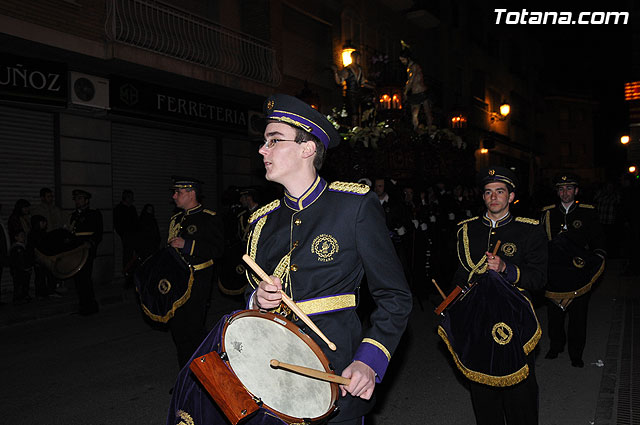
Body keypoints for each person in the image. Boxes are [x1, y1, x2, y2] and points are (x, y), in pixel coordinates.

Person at [248, 94, 412, 423]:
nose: (262, 150)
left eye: (274, 141)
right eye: (264, 142)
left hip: (336, 372)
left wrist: (369, 359)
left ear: (307, 148)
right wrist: (257, 300)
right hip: (272, 373)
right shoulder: (261, 222)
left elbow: (394, 296)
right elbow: (248, 300)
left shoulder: (353, 207)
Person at [449, 166, 547, 425]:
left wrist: (507, 269)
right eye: (488, 192)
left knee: (520, 394)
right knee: (482, 392)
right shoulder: (466, 230)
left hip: (514, 321)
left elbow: (539, 279)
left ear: (511, 197)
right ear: (483, 197)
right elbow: (459, 275)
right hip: (478, 320)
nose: (494, 197)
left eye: (500, 192)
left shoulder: (530, 229)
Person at [540, 173, 606, 368]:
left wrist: (598, 257)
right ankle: (556, 345)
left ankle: (576, 353)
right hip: (556, 272)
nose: (565, 192)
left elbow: (598, 239)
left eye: (569, 188)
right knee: (555, 314)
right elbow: (541, 242)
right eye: (561, 189)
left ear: (576, 191)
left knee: (578, 315)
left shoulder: (587, 212)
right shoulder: (547, 213)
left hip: (578, 272)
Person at [167, 176, 224, 368]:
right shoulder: (176, 219)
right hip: (177, 282)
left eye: (179, 192)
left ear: (191, 193)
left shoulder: (209, 218)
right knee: (178, 330)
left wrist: (188, 245)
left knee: (193, 331)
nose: (174, 196)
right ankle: (185, 376)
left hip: (197, 283)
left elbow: (218, 249)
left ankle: (202, 376)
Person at [69, 189, 103, 316]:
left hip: (86, 251)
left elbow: (98, 232)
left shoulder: (94, 214)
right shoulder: (74, 215)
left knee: (85, 278)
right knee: (78, 279)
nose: (77, 201)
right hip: (76, 251)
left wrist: (90, 243)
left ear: (86, 200)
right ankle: (83, 305)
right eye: (76, 199)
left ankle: (91, 305)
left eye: (79, 199)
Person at [399, 42, 433, 131]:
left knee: (427, 113)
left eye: (403, 60)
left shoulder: (414, 67)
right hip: (415, 93)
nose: (402, 62)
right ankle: (416, 130)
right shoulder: (410, 67)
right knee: (415, 114)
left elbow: (411, 80)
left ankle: (430, 130)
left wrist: (405, 92)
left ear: (407, 58)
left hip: (421, 92)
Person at [333, 51, 368, 127]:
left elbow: (363, 82)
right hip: (351, 94)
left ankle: (360, 127)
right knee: (353, 113)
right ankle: (354, 129)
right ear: (354, 58)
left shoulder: (360, 69)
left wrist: (373, 86)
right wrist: (335, 72)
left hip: (359, 94)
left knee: (361, 112)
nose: (359, 60)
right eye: (358, 58)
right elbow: (339, 82)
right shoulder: (347, 69)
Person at [114, 190, 138, 287]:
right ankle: (127, 278)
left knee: (135, 257)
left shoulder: (132, 208)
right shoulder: (119, 209)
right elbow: (117, 224)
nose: (132, 200)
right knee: (127, 256)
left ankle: (134, 277)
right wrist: (123, 234)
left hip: (134, 236)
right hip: (126, 236)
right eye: (130, 197)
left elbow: (136, 222)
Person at [9, 230, 32, 304]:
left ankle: (24, 296)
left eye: (24, 236)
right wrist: (25, 267)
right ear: (16, 237)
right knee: (19, 284)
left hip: (22, 269)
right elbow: (19, 260)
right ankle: (18, 298)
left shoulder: (22, 247)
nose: (23, 238)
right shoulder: (17, 248)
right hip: (19, 270)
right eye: (21, 236)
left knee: (24, 284)